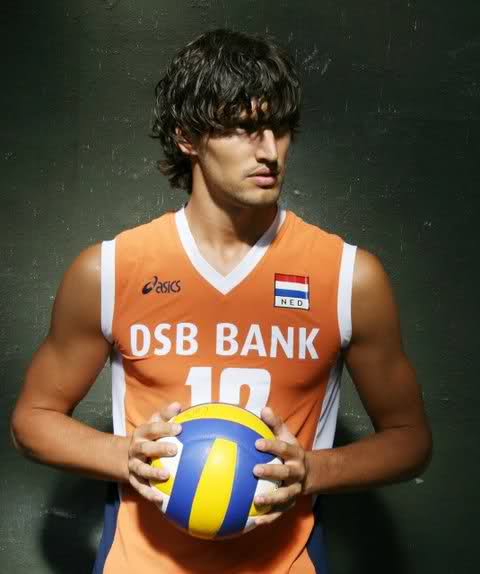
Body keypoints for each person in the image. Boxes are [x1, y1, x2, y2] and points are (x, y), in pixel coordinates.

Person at [11, 28, 432, 574]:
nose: (269, 151)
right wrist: (126, 455)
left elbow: (409, 440)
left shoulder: (350, 277)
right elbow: (32, 420)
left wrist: (311, 470)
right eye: (243, 129)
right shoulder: (110, 271)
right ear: (188, 137)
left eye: (280, 128)